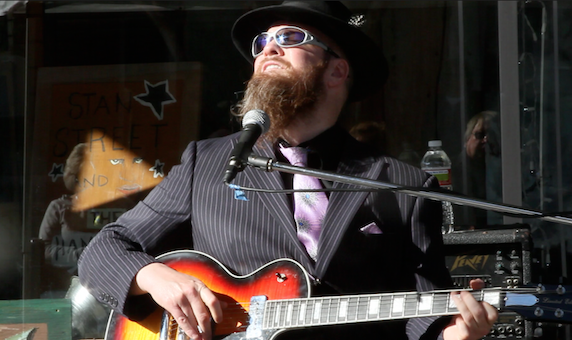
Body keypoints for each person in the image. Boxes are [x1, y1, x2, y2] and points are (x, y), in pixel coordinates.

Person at [78, 2, 498, 340]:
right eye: (262, 42)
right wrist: (156, 278)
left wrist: (451, 335)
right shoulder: (205, 164)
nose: (267, 50)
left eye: (289, 38)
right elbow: (105, 249)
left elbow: (425, 310)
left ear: (337, 70)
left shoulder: (403, 185)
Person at [39, 143, 97, 296]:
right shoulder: (58, 208)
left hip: (106, 286)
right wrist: (83, 255)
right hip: (63, 288)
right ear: (76, 177)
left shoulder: (119, 208)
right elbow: (43, 250)